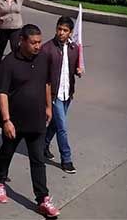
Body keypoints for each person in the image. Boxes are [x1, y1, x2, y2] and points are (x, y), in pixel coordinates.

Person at [0, 24, 60, 218]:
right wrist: (6, 120)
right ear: (22, 41)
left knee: (38, 160)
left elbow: (46, 83)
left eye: (39, 42)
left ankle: (43, 199)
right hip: (14, 121)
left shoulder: (43, 58)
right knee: (6, 153)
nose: (38, 46)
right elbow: (2, 92)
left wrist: (48, 107)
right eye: (34, 43)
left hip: (37, 120)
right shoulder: (9, 62)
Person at [43, 16, 82, 174]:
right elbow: (44, 77)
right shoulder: (47, 48)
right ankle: (66, 159)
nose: (61, 32)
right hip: (54, 94)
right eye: (59, 29)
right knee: (62, 128)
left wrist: (78, 71)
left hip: (67, 93)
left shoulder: (74, 48)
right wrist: (46, 102)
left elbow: (72, 69)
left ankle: (42, 145)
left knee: (55, 124)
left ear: (70, 32)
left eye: (65, 30)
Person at [0, 0, 45, 66]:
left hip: (16, 27)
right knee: (2, 45)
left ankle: (15, 63)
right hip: (2, 27)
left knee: (15, 46)